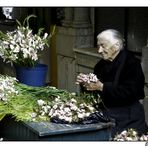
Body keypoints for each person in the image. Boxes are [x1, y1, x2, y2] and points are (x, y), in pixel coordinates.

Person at [76, 29, 148, 138]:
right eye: (98, 46)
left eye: (103, 46)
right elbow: (96, 87)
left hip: (128, 119)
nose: (99, 50)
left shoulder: (132, 63)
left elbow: (130, 92)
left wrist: (102, 87)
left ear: (116, 46)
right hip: (108, 114)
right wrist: (86, 83)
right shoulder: (102, 64)